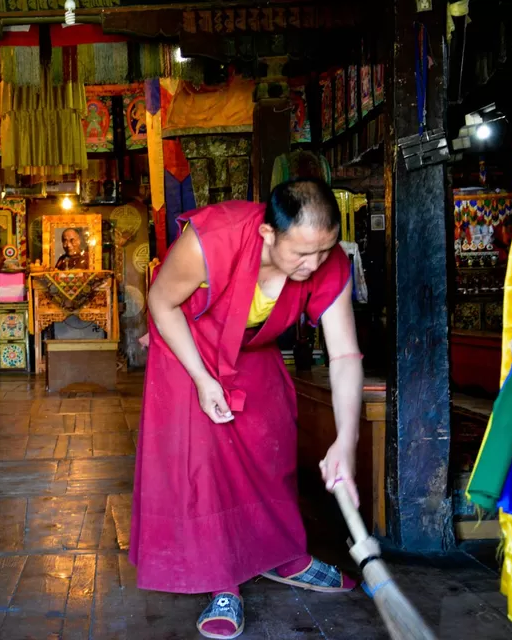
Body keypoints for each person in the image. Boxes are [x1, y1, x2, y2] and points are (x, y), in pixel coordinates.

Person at [130, 178, 363, 639]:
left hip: (251, 348)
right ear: (268, 235)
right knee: (206, 457)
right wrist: (201, 378)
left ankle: (284, 556)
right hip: (188, 344)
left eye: (325, 250)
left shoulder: (325, 262)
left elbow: (344, 356)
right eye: (301, 252)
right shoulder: (213, 237)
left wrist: (346, 441)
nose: (313, 264)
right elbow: (161, 300)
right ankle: (222, 580)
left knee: (271, 438)